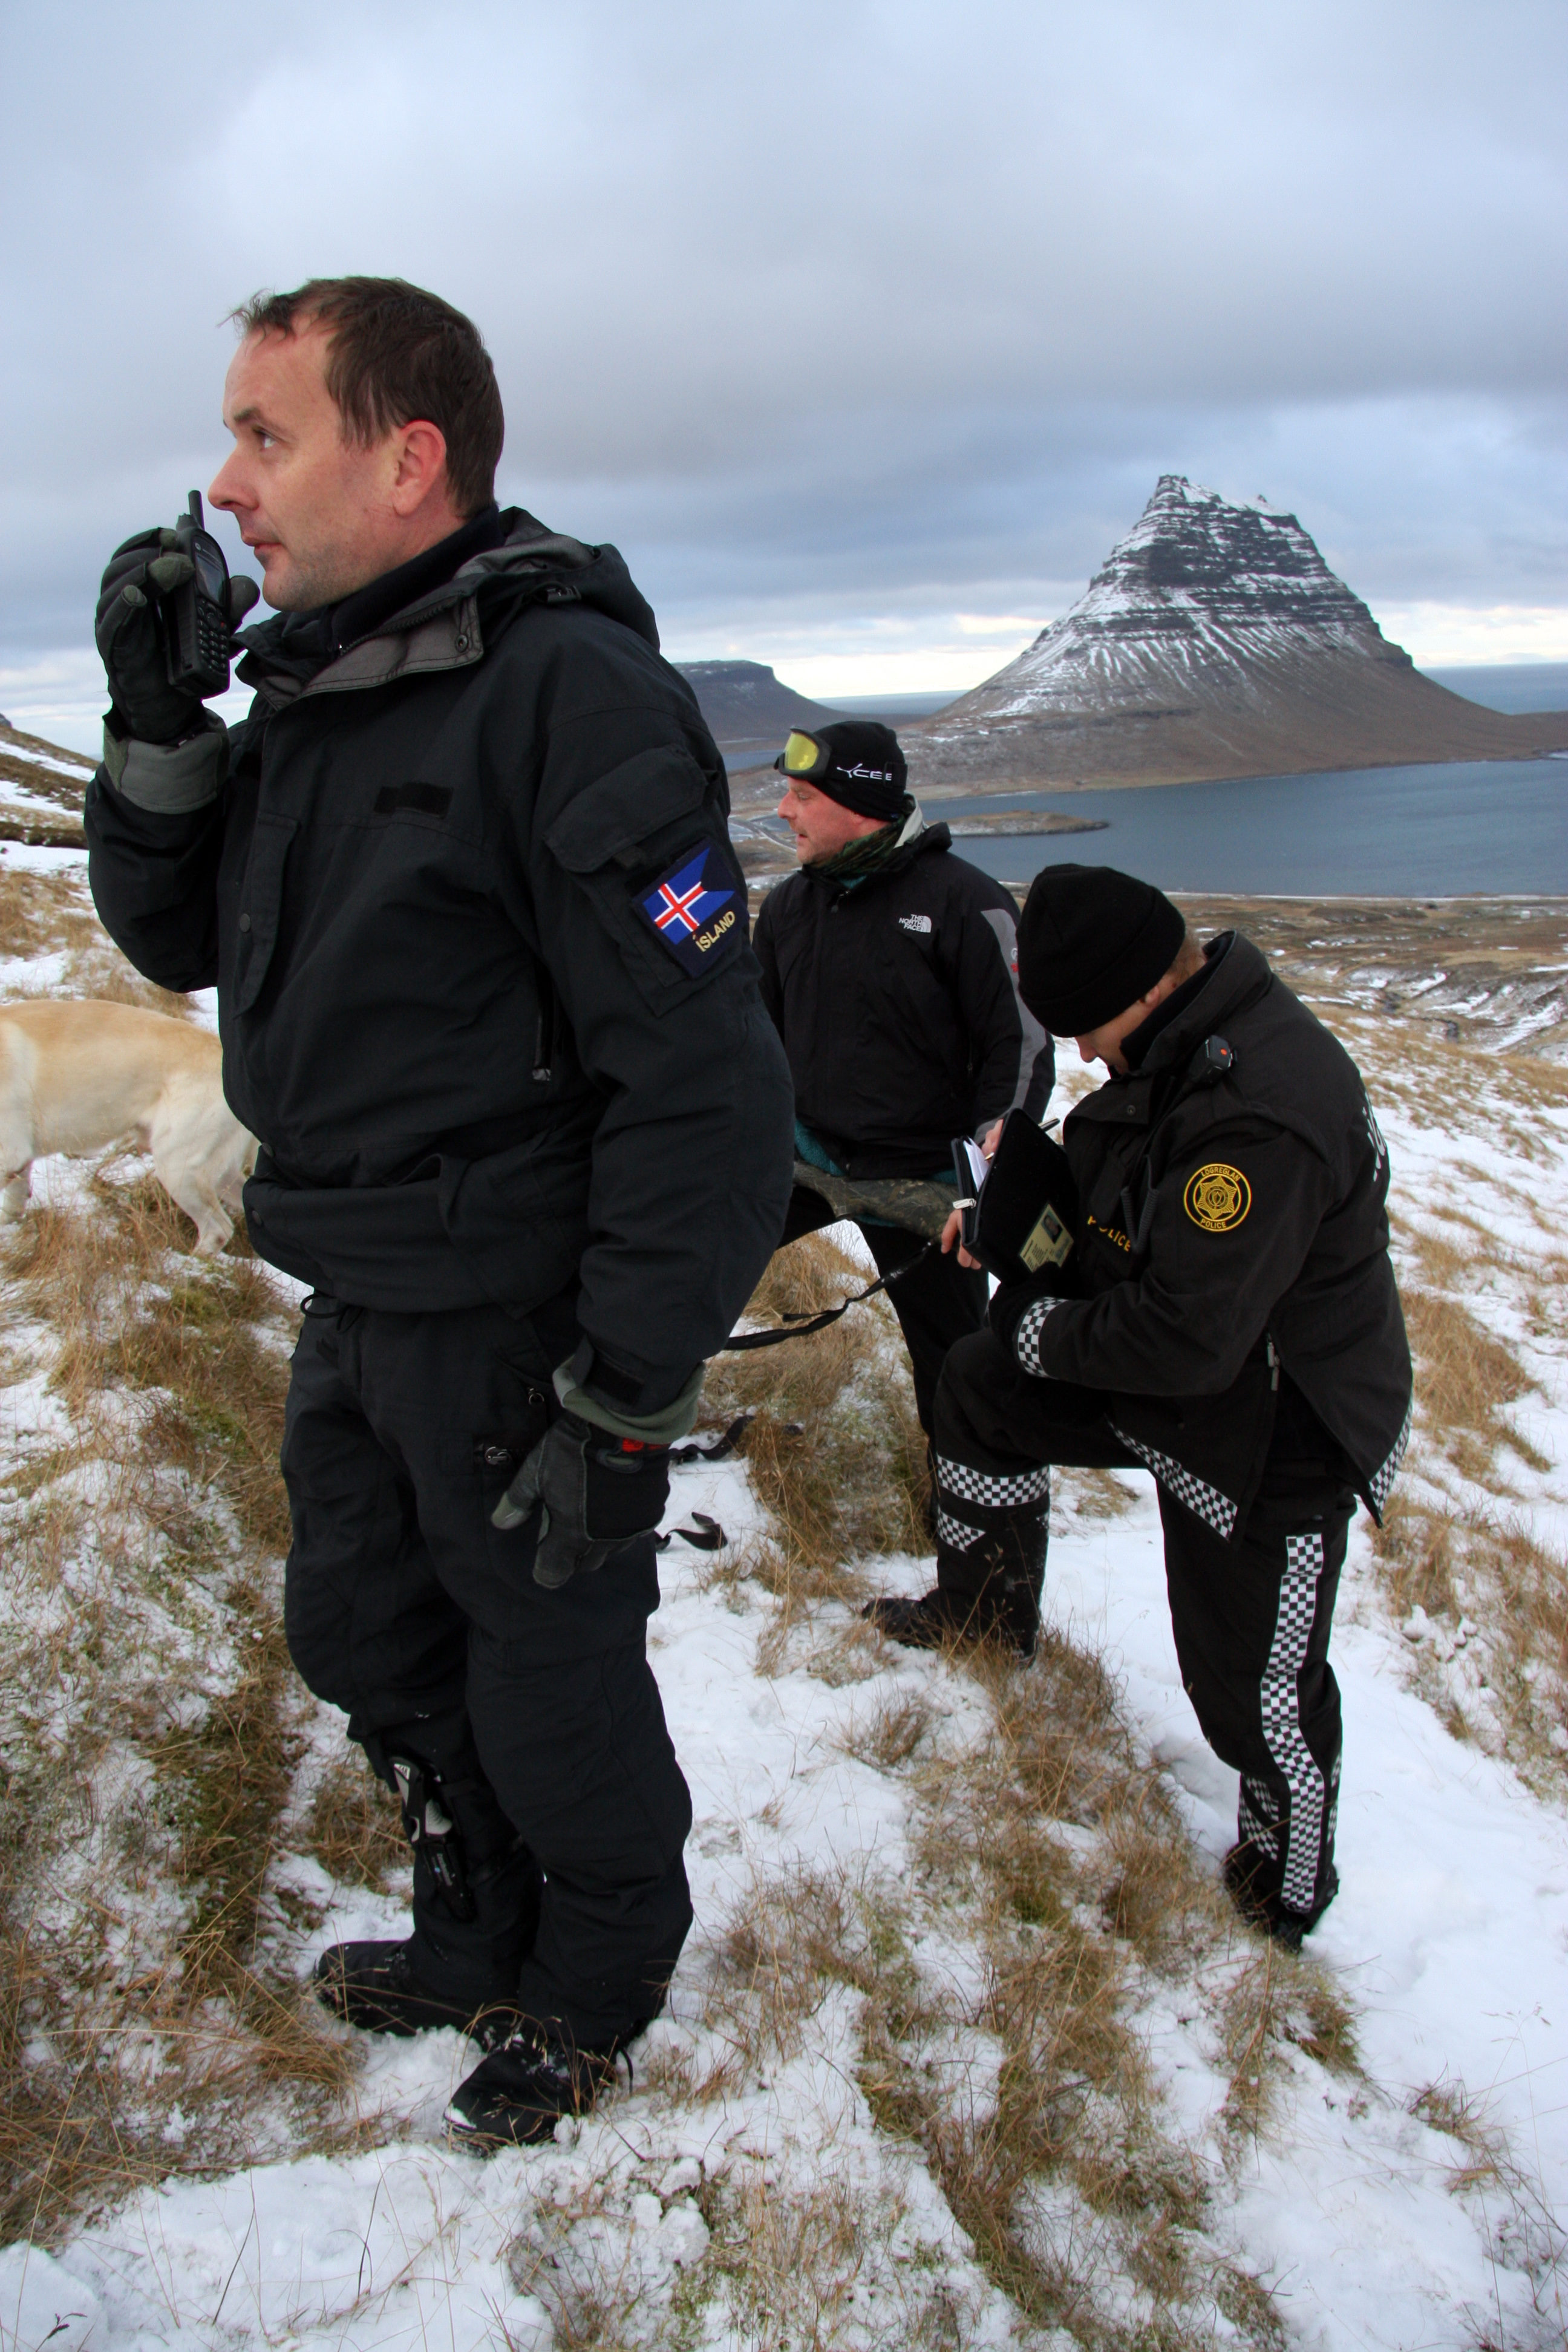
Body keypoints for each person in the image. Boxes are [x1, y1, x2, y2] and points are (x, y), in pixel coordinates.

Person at [85, 276, 794, 2143]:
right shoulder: (321, 682)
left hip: (525, 1310)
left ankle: (593, 1985)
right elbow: (176, 938)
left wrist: (628, 1385)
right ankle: (473, 1923)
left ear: (409, 459)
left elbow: (708, 1076)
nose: (227, 485)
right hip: (366, 1281)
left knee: (549, 1670)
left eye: (267, 435)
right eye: (229, 436)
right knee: (366, 1632)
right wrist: (160, 727)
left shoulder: (563, 691)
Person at [865, 865, 1412, 1945]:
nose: (1075, 1056)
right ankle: (986, 1611)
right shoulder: (1171, 1046)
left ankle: (1285, 1875)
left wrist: (1032, 1323)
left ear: (1147, 988)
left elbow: (1184, 1334)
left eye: (1083, 1026)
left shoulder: (1263, 1110)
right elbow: (1119, 1209)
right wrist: (1009, 1226)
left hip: (1274, 1428)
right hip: (1178, 1377)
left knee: (1247, 1695)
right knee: (981, 1382)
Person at [752, 722, 1052, 1438]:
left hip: (928, 1185)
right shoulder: (791, 906)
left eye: (799, 795)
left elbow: (1021, 1050)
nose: (784, 811)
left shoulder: (965, 902)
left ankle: (968, 1518)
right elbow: (754, 1044)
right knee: (678, 1273)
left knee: (959, 1370)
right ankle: (624, 1436)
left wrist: (986, 1184)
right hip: (808, 1162)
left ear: (858, 805)